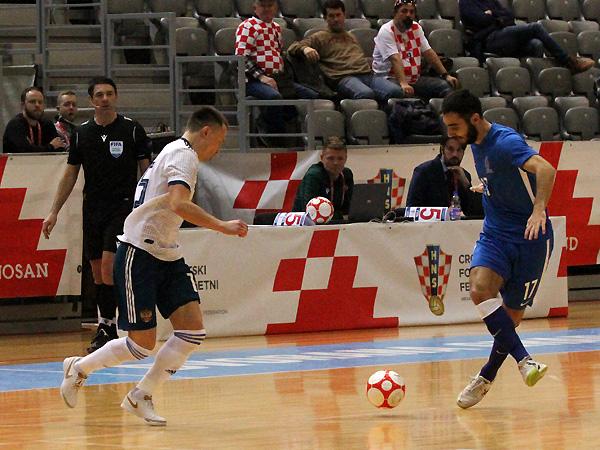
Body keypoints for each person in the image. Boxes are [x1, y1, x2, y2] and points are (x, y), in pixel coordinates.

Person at [59, 107, 248, 426]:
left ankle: (141, 395)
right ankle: (79, 368)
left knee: (192, 330)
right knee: (141, 344)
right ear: (206, 132)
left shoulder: (175, 151)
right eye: (219, 141)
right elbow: (178, 203)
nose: (218, 149)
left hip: (166, 252)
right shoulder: (184, 155)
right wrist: (222, 226)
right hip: (140, 252)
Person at [441, 89, 556, 408]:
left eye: (455, 127)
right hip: (495, 233)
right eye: (448, 127)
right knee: (480, 290)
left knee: (511, 319)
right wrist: (490, 187)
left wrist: (539, 209)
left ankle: (487, 375)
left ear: (475, 119)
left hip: (531, 237)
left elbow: (546, 169)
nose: (451, 134)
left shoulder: (505, 143)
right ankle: (525, 361)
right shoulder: (474, 143)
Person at [42, 77, 152, 354]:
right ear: (91, 101)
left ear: (116, 97)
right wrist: (53, 212)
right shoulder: (82, 133)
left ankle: (111, 325)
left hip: (122, 207)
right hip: (92, 208)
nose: (105, 99)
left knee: (107, 266)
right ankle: (106, 325)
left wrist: (149, 206)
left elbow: (147, 171)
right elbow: (70, 174)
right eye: (99, 95)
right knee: (96, 271)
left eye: (109, 94)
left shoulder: (132, 129)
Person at [288, 0, 404, 103]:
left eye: (338, 15)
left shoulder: (351, 36)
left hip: (367, 75)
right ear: (325, 18)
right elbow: (293, 47)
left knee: (396, 91)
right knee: (365, 94)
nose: (336, 19)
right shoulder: (319, 37)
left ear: (344, 15)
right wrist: (306, 48)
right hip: (343, 78)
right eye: (331, 16)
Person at [235, 0, 318, 140]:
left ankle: (287, 128)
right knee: (274, 97)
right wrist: (262, 77)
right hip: (252, 80)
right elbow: (241, 57)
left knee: (310, 96)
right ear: (255, 8)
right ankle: (273, 136)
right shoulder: (248, 26)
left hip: (279, 78)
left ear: (275, 8)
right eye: (263, 6)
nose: (267, 9)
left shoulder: (276, 28)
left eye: (270, 6)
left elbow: (279, 52)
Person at [460, 0, 594, 72]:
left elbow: (509, 16)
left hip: (503, 35)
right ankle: (568, 61)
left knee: (536, 44)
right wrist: (498, 19)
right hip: (488, 40)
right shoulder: (466, 2)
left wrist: (493, 14)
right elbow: (482, 20)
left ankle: (535, 81)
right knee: (535, 27)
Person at [372, 0, 459, 100]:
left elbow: (429, 53)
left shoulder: (416, 28)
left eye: (411, 12)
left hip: (414, 79)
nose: (408, 15)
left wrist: (446, 75)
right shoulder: (387, 30)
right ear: (395, 13)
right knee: (398, 92)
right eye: (404, 11)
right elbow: (395, 59)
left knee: (445, 85)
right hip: (389, 78)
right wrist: (403, 83)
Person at [406, 135, 483, 217]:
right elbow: (411, 210)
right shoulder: (424, 172)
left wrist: (466, 185)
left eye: (459, 150)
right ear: (442, 149)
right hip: (430, 224)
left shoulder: (464, 175)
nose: (455, 154)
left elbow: (474, 212)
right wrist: (443, 214)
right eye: (450, 149)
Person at [292, 136, 353, 221]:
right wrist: (342, 216)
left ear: (346, 159)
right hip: (304, 225)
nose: (336, 163)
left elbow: (350, 208)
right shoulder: (313, 175)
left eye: (340, 158)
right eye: (330, 158)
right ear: (321, 158)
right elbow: (311, 214)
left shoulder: (347, 175)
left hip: (337, 223)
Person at [2, 86, 65, 153]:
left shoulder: (47, 124)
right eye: (32, 102)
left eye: (40, 102)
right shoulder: (15, 125)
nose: (37, 105)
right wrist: (51, 147)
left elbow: (59, 148)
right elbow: (25, 152)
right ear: (23, 105)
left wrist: (47, 148)